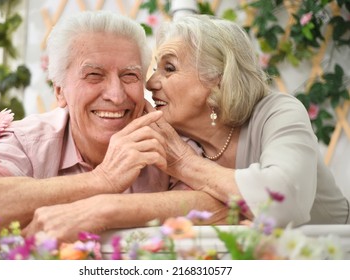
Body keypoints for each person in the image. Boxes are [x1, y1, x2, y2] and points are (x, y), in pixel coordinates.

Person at [0, 11, 227, 242]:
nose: (117, 95)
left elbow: (220, 205)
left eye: (129, 75)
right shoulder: (29, 140)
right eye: (94, 75)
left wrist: (104, 209)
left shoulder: (164, 137)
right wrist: (101, 180)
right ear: (61, 92)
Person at [145, 14, 350, 227]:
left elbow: (284, 200)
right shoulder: (173, 140)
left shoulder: (278, 112)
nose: (150, 83)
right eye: (154, 69)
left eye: (169, 68)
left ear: (218, 80)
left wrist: (185, 164)